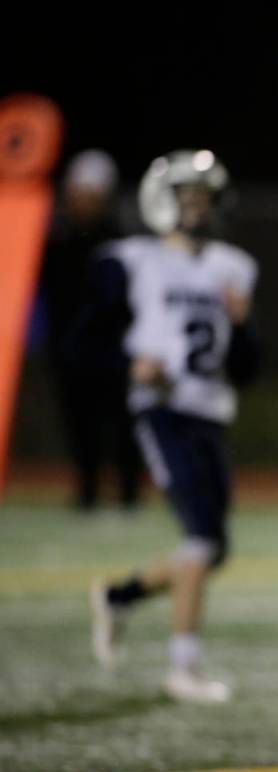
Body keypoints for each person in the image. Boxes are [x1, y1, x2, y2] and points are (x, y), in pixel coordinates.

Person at [89, 149, 260, 704]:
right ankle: (182, 666)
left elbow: (248, 367)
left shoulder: (233, 267)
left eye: (203, 197)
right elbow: (80, 343)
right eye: (187, 195)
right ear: (163, 200)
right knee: (201, 540)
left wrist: (241, 327)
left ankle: (118, 596)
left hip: (211, 411)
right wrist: (127, 365)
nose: (195, 207)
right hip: (161, 410)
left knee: (215, 548)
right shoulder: (130, 259)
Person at [39, 148, 143, 513]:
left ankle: (130, 491)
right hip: (69, 345)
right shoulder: (55, 238)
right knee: (78, 421)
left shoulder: (121, 240)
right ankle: (87, 489)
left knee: (122, 422)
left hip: (115, 345)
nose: (83, 202)